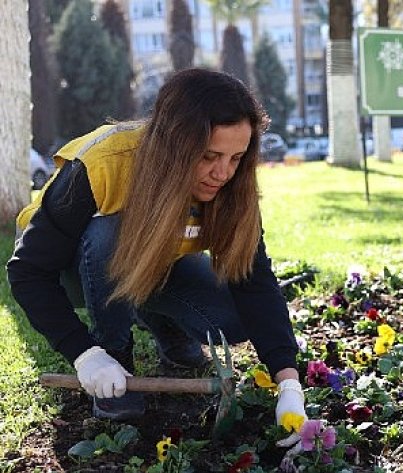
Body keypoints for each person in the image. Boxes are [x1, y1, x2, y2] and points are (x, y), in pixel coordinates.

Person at [7, 68, 306, 432]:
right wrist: (86, 356)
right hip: (69, 266)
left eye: (235, 157)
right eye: (209, 156)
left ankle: (163, 325)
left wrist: (289, 384)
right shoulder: (103, 163)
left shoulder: (232, 186)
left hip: (157, 261)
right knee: (108, 232)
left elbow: (254, 280)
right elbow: (28, 271)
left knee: (235, 319)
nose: (222, 173)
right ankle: (114, 354)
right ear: (174, 143)